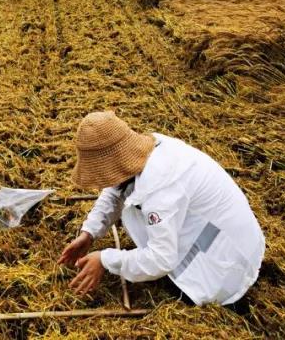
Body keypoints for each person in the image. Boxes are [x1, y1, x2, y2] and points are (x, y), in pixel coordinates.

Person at [58, 111, 265, 306]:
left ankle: (213, 287)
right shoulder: (145, 151)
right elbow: (114, 189)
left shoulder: (161, 186)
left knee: (184, 280)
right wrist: (89, 233)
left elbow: (161, 259)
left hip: (225, 259)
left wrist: (105, 260)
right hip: (215, 226)